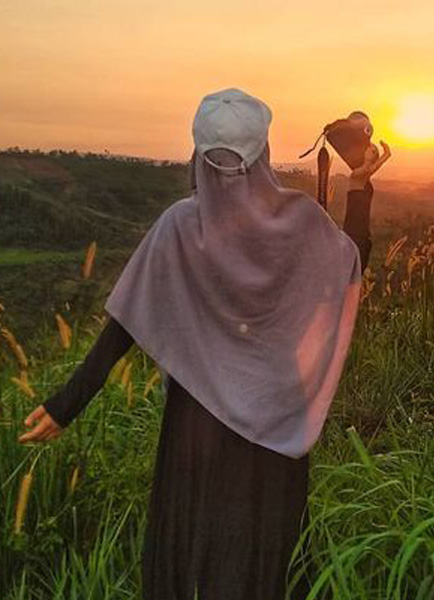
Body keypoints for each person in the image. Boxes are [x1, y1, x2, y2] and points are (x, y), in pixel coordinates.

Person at [18, 87, 391, 600]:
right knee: (271, 551)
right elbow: (352, 266)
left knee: (192, 547)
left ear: (198, 154)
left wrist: (67, 405)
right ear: (262, 154)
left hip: (197, 420)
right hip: (277, 419)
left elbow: (126, 321)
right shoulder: (301, 223)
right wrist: (360, 188)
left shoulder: (180, 225)